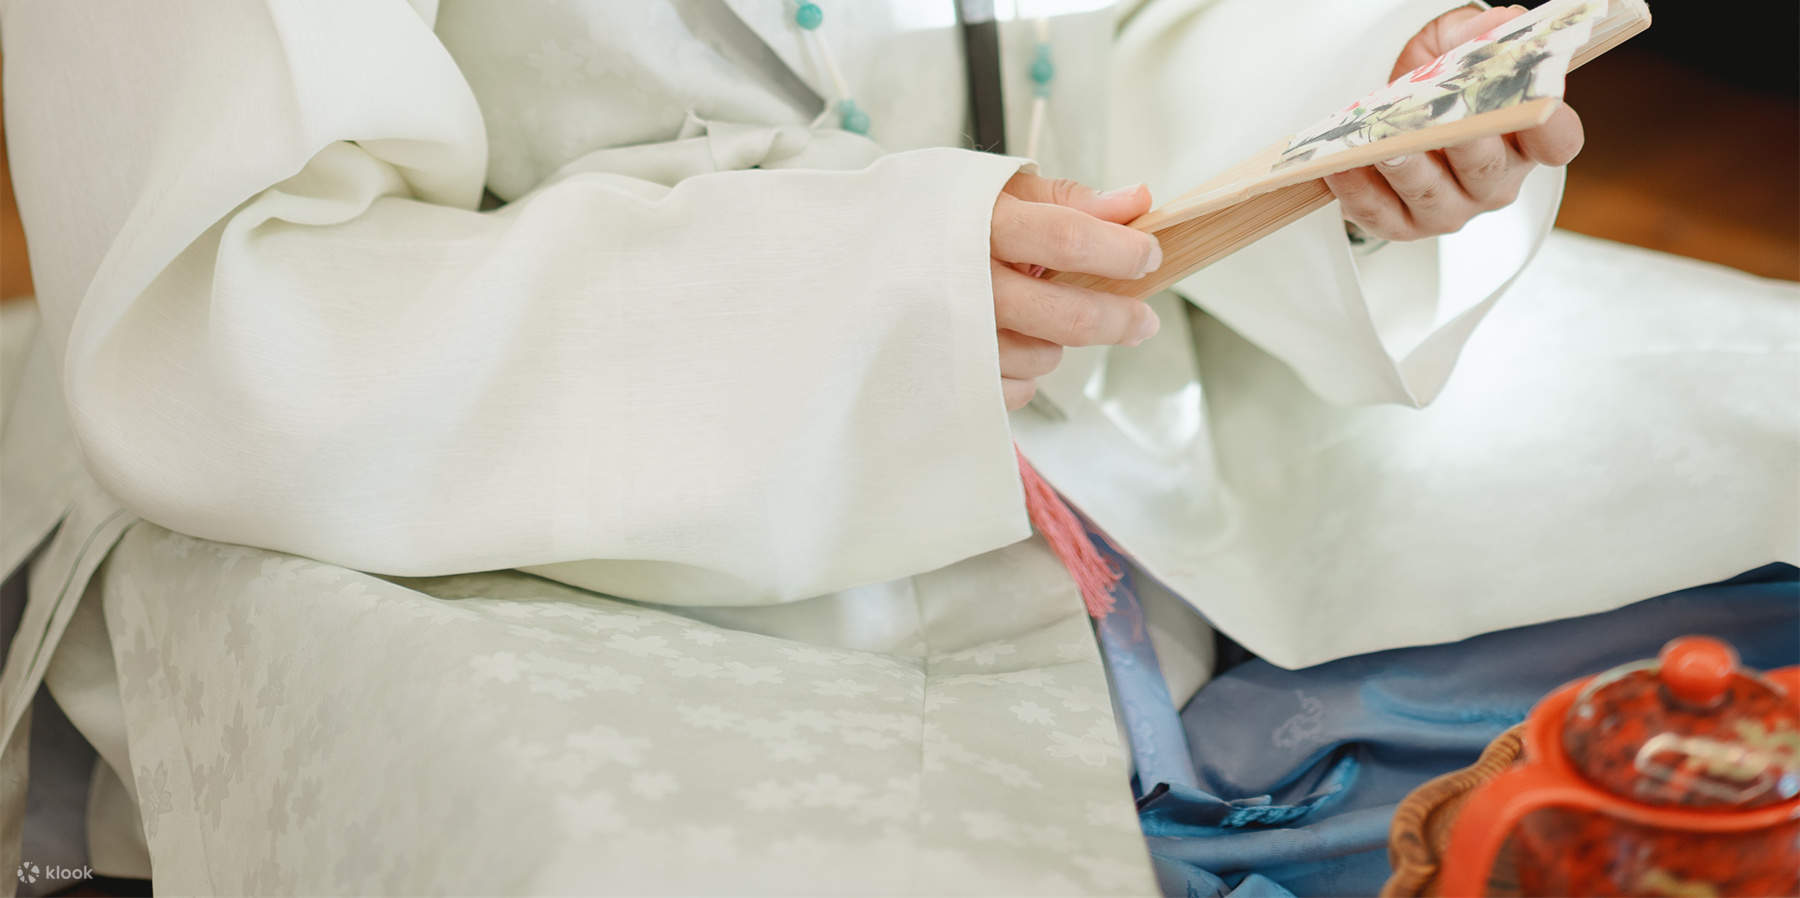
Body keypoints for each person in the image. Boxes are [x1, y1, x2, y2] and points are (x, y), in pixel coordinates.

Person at [0, 0, 1791, 894]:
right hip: (500, 461)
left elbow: (1138, 35)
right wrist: (851, 295)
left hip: (1148, 367)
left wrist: (1360, 104)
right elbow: (245, 299)